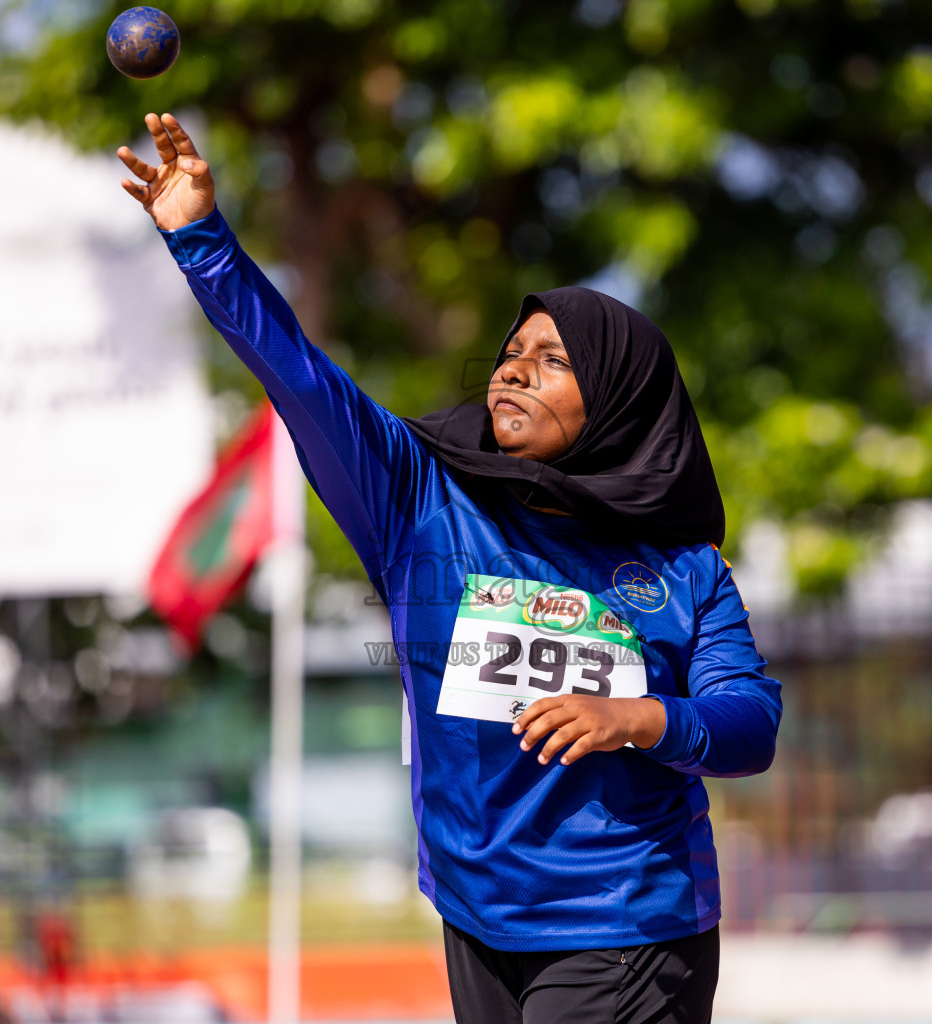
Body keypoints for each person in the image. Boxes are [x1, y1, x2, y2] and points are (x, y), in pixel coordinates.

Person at [118, 112, 782, 1024]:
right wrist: (202, 239)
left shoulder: (684, 568)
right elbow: (301, 378)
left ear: (618, 401)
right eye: (511, 355)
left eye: (552, 362)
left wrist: (636, 718)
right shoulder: (419, 499)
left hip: (626, 922)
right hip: (476, 918)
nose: (513, 373)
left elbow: (751, 724)